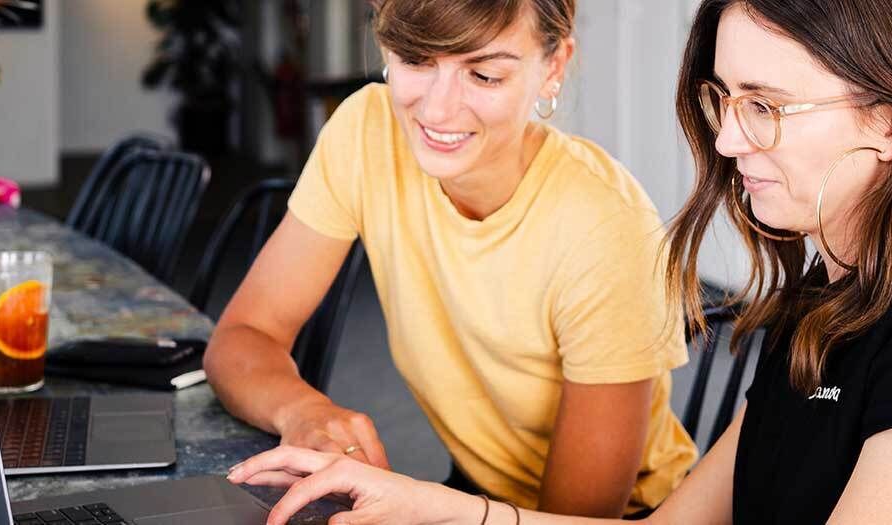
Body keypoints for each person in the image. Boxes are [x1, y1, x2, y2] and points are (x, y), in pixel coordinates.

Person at [225, 0, 892, 523]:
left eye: (766, 106)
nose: (728, 138)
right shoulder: (829, 299)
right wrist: (428, 508)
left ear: (890, 120)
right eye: (724, 99)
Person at [203, 0, 696, 518]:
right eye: (416, 60)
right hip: (474, 491)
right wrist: (304, 411)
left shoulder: (607, 227)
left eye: (483, 75)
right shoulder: (366, 131)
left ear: (553, 67)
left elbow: (578, 517)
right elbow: (244, 336)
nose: (437, 111)